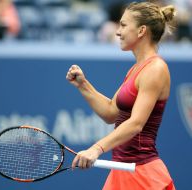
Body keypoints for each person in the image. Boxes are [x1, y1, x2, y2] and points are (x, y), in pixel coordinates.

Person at [66, 1, 176, 190]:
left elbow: (136, 123)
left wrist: (96, 148)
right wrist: (83, 85)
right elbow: (110, 113)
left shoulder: (156, 69)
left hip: (143, 174)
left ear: (141, 31)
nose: (118, 32)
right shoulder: (135, 69)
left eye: (123, 25)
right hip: (123, 171)